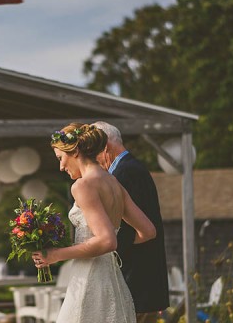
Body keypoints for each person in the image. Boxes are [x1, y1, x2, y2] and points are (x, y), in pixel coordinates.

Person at [33, 123, 156, 323]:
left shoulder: (83, 186)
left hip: (89, 278)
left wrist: (55, 255)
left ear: (74, 152)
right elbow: (148, 231)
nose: (61, 167)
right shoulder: (114, 183)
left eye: (60, 158)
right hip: (113, 278)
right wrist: (112, 248)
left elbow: (107, 241)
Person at [93, 121, 170, 323]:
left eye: (93, 151)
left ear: (105, 147)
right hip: (139, 282)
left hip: (138, 282)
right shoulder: (128, 169)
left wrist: (103, 246)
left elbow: (132, 229)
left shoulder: (126, 173)